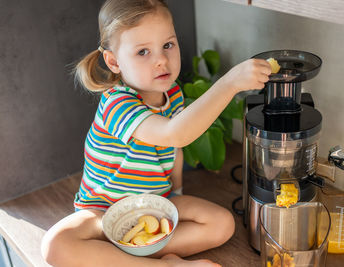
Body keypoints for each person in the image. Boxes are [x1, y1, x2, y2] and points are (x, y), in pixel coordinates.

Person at [40, 0, 272, 266]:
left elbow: (175, 150)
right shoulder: (117, 103)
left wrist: (178, 193)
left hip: (156, 200)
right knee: (55, 245)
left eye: (168, 45)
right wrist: (230, 83)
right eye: (142, 52)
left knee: (222, 224)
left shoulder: (172, 95)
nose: (161, 60)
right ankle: (161, 264)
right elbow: (175, 135)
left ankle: (118, 256)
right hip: (103, 209)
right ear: (114, 61)